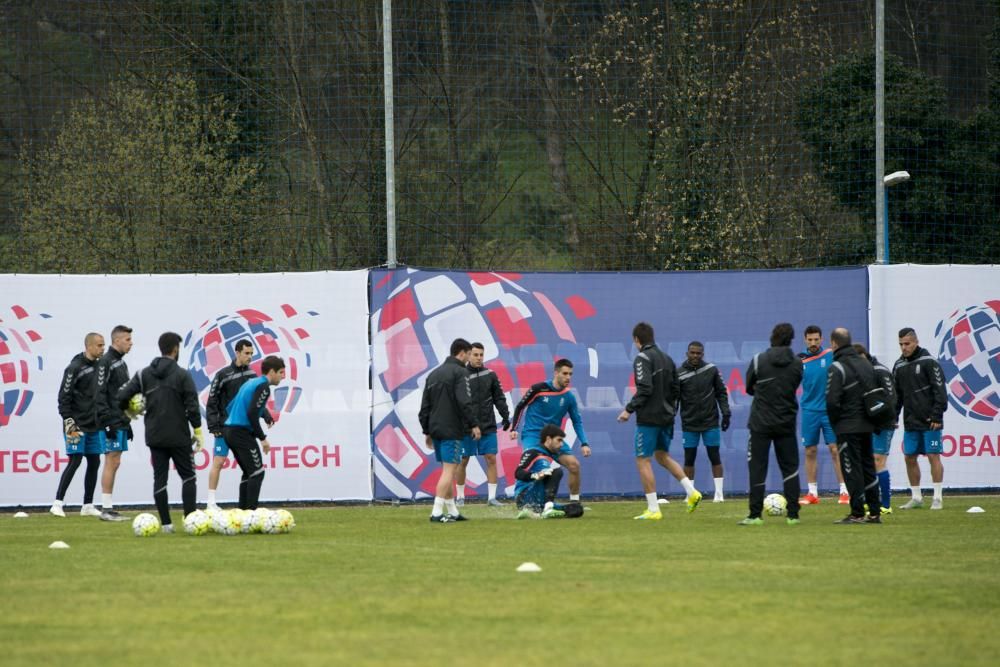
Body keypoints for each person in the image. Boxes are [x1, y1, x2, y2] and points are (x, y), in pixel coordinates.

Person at [116, 332, 203, 533]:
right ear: (175, 350)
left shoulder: (143, 374)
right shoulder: (182, 374)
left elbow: (121, 396)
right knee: (188, 477)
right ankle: (190, 522)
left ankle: (166, 525)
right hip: (179, 435)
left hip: (155, 435)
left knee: (160, 478)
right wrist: (198, 431)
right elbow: (192, 405)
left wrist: (129, 409)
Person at [617, 322, 702, 519]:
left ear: (636, 340)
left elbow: (645, 388)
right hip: (667, 417)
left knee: (643, 460)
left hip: (649, 419)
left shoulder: (642, 358)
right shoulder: (668, 358)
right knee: (662, 456)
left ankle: (653, 509)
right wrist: (671, 411)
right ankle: (691, 491)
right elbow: (676, 389)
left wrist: (628, 410)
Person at [740, 322, 803, 526]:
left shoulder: (759, 360)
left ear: (772, 337)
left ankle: (755, 515)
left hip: (760, 423)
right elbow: (794, 385)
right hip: (786, 422)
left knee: (757, 467)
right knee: (790, 468)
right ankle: (793, 515)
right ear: (791, 339)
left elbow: (749, 387)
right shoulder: (796, 363)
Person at [204, 339, 273, 510]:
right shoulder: (223, 374)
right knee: (218, 462)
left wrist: (265, 414)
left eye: (251, 353)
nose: (249, 357)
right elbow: (211, 401)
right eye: (246, 353)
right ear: (237, 353)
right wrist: (214, 427)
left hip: (242, 430)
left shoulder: (252, 375)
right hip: (223, 427)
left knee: (247, 468)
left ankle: (245, 507)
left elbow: (253, 404)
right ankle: (211, 502)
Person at [509, 359, 590, 502]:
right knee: (540, 467)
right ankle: (531, 502)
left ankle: (575, 502)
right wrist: (514, 428)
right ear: (556, 373)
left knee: (574, 465)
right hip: (533, 436)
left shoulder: (569, 397)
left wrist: (584, 443)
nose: (568, 377)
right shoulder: (538, 389)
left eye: (570, 374)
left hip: (554, 440)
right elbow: (520, 406)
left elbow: (577, 421)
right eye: (565, 373)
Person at [419, 338, 480, 523]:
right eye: (470, 354)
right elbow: (464, 401)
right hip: (452, 429)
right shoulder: (460, 372)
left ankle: (452, 511)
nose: (470, 359)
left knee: (447, 469)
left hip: (436, 430)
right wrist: (474, 424)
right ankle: (436, 512)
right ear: (462, 353)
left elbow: (424, 408)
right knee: (449, 471)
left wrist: (427, 431)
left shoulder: (433, 374)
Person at [826, 328, 881, 524]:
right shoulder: (866, 364)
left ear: (834, 344)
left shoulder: (837, 367)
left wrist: (836, 424)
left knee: (851, 470)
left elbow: (832, 402)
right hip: (867, 424)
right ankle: (874, 512)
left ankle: (857, 512)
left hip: (847, 427)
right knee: (868, 467)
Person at [50, 332, 106, 518]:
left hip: (94, 424)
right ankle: (57, 503)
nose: (102, 348)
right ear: (88, 346)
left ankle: (87, 505)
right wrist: (68, 420)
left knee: (95, 461)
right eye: (99, 345)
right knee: (75, 460)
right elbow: (63, 397)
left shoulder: (101, 366)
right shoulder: (74, 368)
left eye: (103, 345)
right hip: (75, 423)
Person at [893, 327, 948, 510]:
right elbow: (897, 396)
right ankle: (916, 497)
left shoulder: (929, 362)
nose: (904, 347)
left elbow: (940, 391)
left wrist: (937, 415)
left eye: (907, 344)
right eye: (901, 344)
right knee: (909, 457)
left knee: (933, 456)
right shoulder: (899, 366)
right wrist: (893, 416)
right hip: (911, 421)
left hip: (930, 420)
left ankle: (937, 497)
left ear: (916, 342)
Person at [221, 355, 286, 511]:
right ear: (271, 372)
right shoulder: (263, 386)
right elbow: (251, 413)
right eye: (281, 372)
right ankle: (251, 514)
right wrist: (262, 438)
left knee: (248, 473)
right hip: (240, 432)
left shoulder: (251, 383)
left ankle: (243, 514)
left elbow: (231, 407)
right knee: (257, 473)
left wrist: (266, 416)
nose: (283, 377)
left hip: (230, 431)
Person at [798, 325, 848, 505]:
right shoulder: (800, 360)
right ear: (805, 340)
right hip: (809, 411)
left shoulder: (831, 355)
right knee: (810, 450)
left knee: (836, 450)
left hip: (829, 411)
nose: (813, 343)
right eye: (809, 340)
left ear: (821, 339)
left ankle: (844, 491)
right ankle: (812, 493)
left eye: (816, 339)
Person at [455, 342, 510, 507]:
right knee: (463, 460)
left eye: (481, 355)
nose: (479, 358)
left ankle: (492, 498)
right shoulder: (461, 375)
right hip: (466, 427)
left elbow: (499, 398)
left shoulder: (490, 375)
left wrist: (505, 416)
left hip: (488, 425)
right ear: (469, 355)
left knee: (491, 458)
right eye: (475, 354)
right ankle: (460, 498)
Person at [677, 341, 731, 502]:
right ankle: (690, 494)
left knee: (714, 456)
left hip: (710, 422)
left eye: (698, 353)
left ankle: (719, 494)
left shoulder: (711, 370)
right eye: (692, 353)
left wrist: (726, 413)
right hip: (689, 423)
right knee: (689, 458)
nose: (695, 356)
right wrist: (670, 419)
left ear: (703, 354)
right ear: (687, 353)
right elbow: (675, 399)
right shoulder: (678, 373)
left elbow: (721, 393)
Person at [94, 324, 133, 521]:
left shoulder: (121, 363)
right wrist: (107, 422)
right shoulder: (106, 362)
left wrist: (128, 422)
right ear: (116, 340)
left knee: (115, 462)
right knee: (111, 461)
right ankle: (106, 509)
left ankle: (108, 507)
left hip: (121, 420)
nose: (131, 343)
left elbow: (121, 395)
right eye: (127, 340)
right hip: (112, 421)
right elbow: (99, 394)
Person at [855, 343, 897, 515]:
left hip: (884, 424)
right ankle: (870, 499)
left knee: (878, 461)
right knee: (868, 461)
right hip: (869, 424)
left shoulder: (880, 371)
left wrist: (880, 420)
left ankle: (886, 504)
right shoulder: (861, 374)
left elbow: (891, 398)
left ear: (865, 355)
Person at [513, 424, 583, 519]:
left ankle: (535, 513)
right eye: (559, 440)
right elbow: (518, 473)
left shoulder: (547, 455)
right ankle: (547, 508)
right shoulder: (532, 452)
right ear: (549, 439)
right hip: (525, 496)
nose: (562, 444)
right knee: (557, 472)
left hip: (538, 500)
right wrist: (535, 476)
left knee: (577, 509)